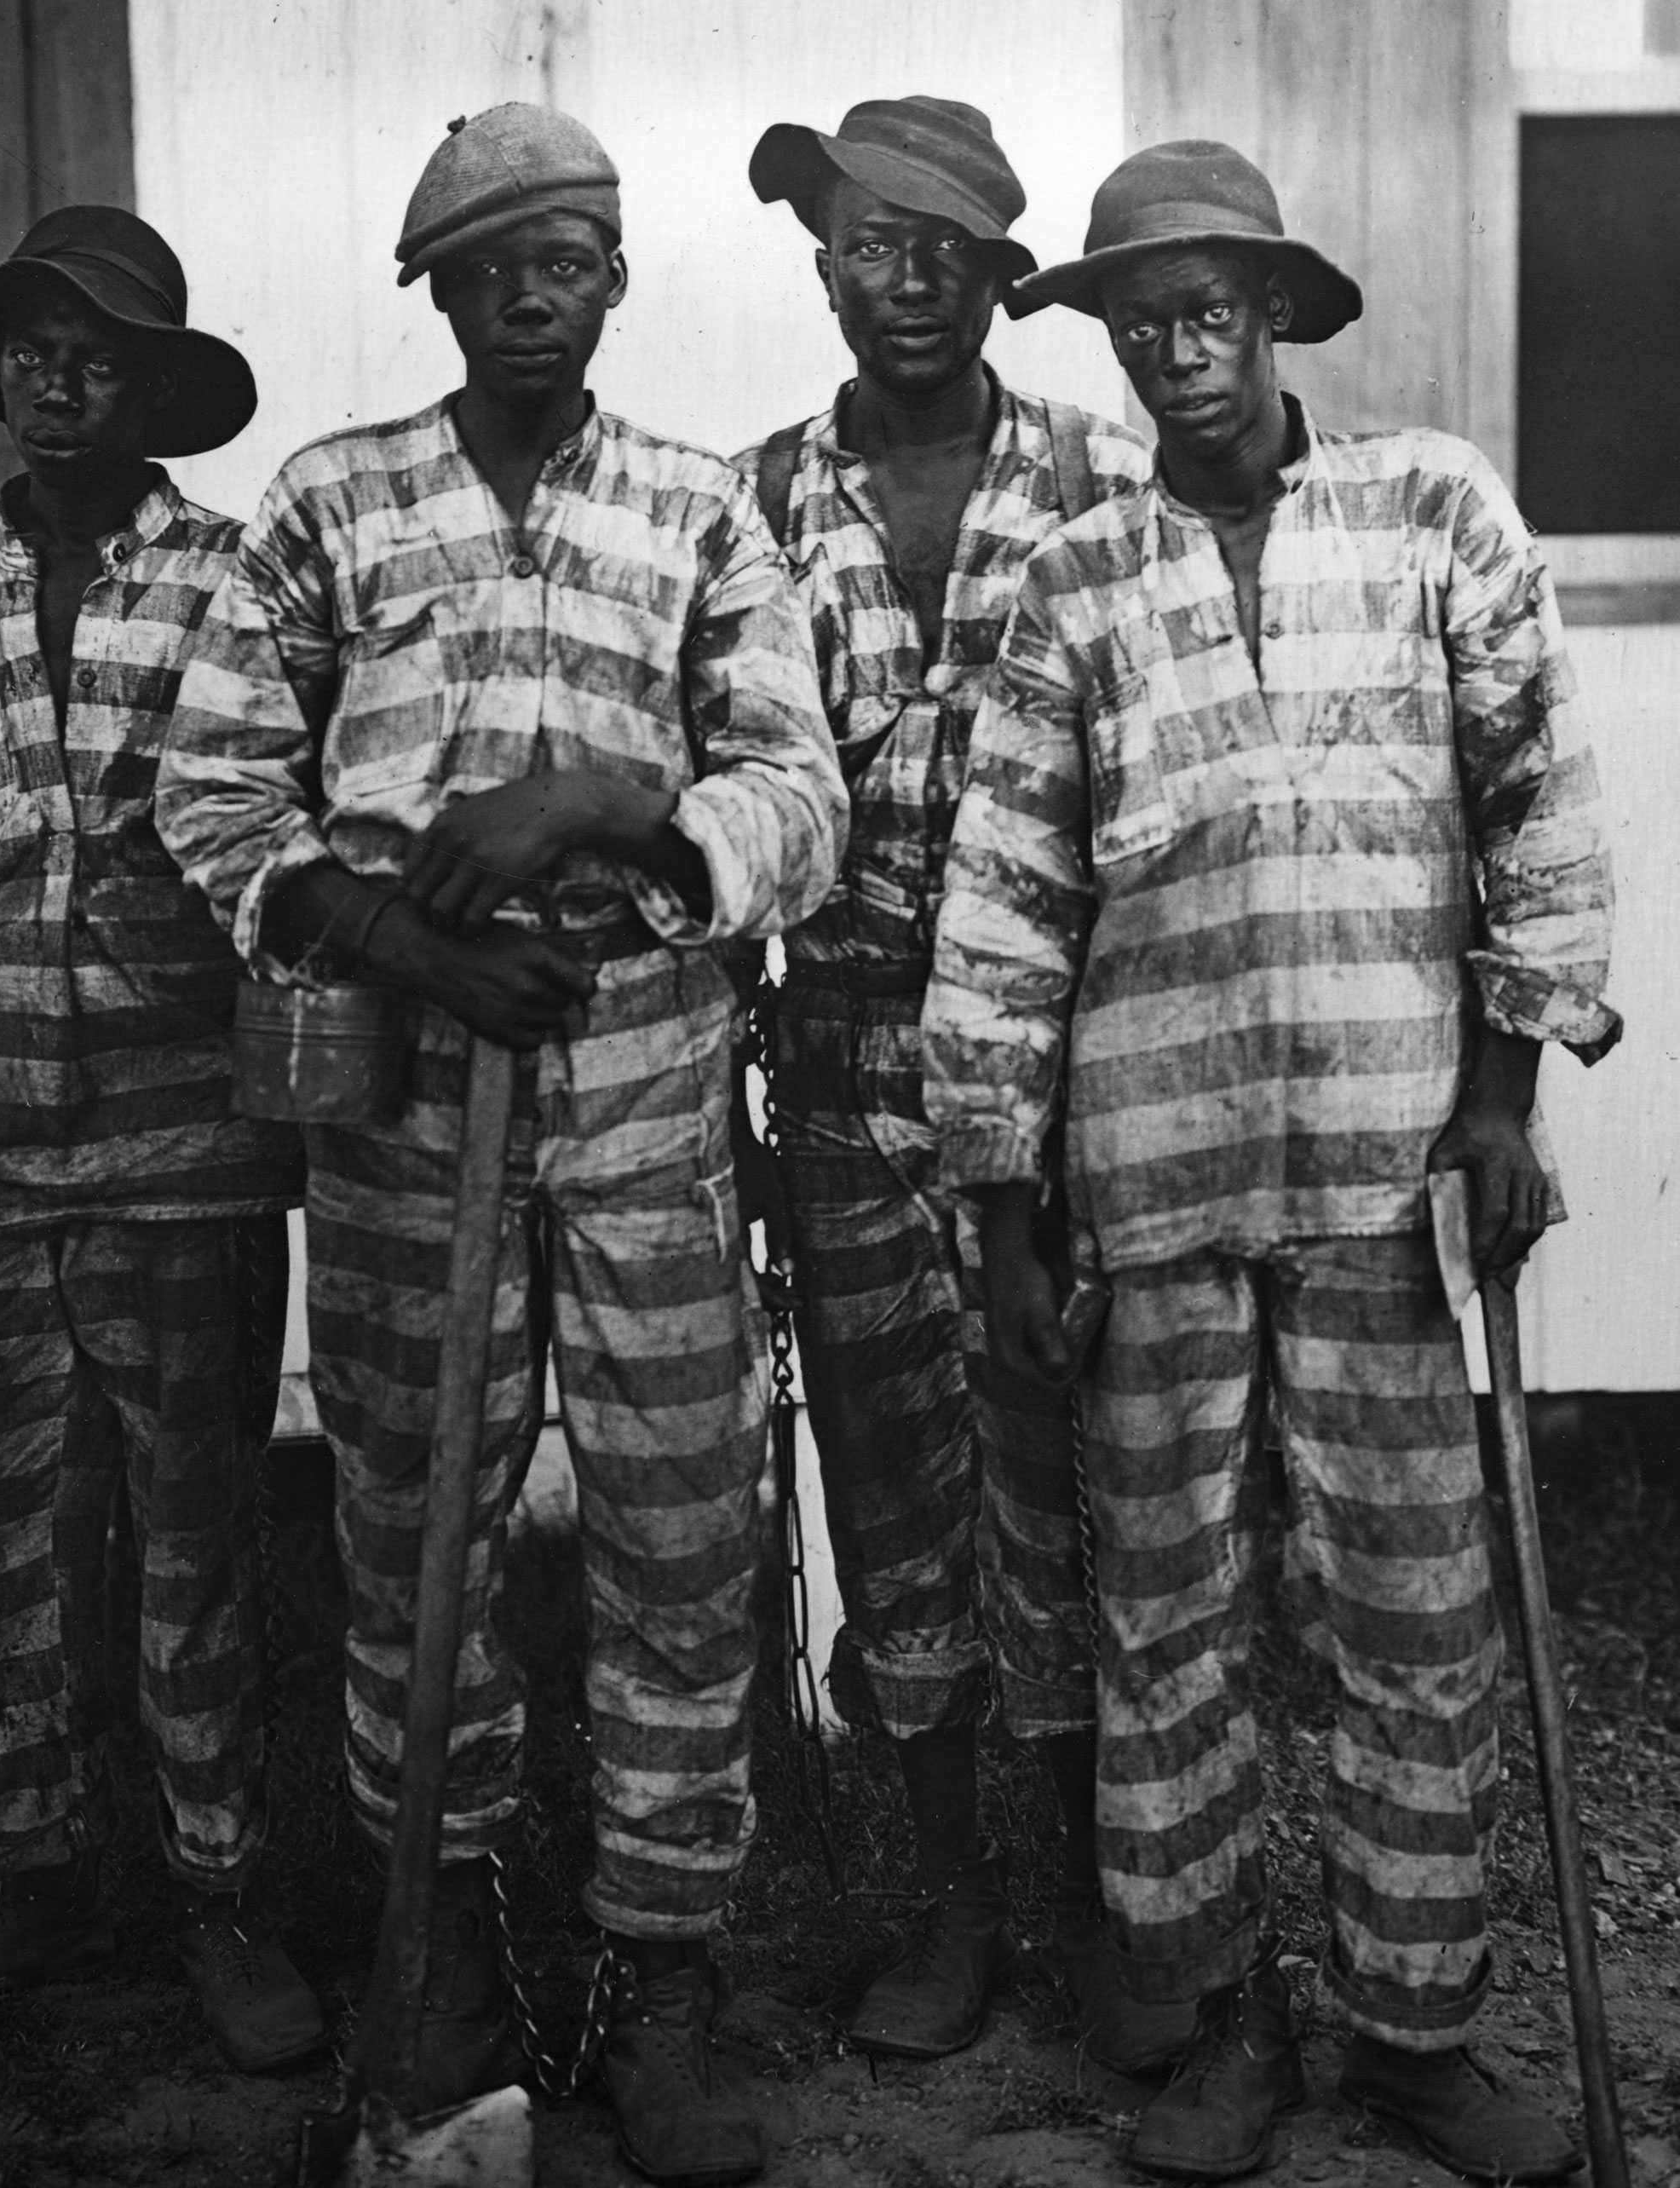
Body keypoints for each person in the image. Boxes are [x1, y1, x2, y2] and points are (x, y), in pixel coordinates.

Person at [156, 106, 845, 2188]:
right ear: (437, 295)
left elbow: (798, 794)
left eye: (564, 262)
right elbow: (214, 795)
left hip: (641, 1112)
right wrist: (388, 936)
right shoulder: (331, 507)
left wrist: (603, 818)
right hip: (401, 1116)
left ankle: (658, 1976)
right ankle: (438, 1957)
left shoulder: (703, 515)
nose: (529, 297)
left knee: (674, 1539)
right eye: (486, 270)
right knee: (414, 1527)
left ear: (618, 281)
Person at [923, 141, 1619, 2184]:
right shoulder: (1072, 586)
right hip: (1147, 1191)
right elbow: (1005, 909)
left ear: (1279, 314)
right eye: (1138, 318)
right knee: (1167, 1614)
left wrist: (1502, 1098)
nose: (1175, 345)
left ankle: (1413, 2035)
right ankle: (1218, 2017)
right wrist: (1002, 1210)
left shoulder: (1431, 511)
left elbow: (1541, 811)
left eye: (1210, 305)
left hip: (1397, 1175)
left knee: (1410, 1613)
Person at [732, 96, 1187, 2074]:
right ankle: (944, 1912)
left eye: (940, 250)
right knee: (898, 1489)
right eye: (863, 244)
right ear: (823, 262)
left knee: (1072, 1488)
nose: (900, 282)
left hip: (1064, 1085)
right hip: (836, 1076)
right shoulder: (751, 498)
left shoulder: (1104, 480)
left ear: (1005, 275)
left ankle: (1105, 1908)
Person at [0, 207, 323, 2073]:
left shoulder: (231, 586)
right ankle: (21, 1891)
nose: (60, 382)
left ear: (154, 391)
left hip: (189, 1138)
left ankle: (224, 1899)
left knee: (197, 1535)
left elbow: (275, 823)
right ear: (1, 377)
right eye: (31, 351)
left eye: (98, 355)